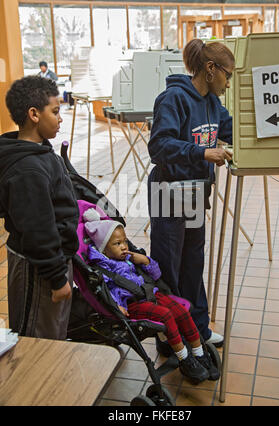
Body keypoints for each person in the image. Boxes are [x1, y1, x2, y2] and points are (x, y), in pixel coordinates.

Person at [147, 38, 234, 349]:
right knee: (167, 265)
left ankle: (197, 327)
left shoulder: (212, 103)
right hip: (167, 190)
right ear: (210, 69)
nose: (228, 82)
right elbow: (158, 147)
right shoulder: (173, 99)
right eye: (228, 74)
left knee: (193, 262)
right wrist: (203, 153)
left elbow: (231, 130)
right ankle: (169, 338)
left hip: (195, 192)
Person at [83, 208, 219, 383]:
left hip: (151, 293)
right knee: (167, 316)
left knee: (182, 312)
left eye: (124, 241)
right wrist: (117, 306)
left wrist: (145, 261)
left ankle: (200, 353)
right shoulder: (104, 269)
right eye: (117, 244)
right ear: (103, 249)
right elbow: (107, 291)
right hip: (132, 304)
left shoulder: (129, 258)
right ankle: (185, 359)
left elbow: (155, 275)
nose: (124, 246)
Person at [0, 76, 79, 340]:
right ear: (34, 114)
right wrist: (57, 278)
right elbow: (38, 230)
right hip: (40, 269)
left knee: (53, 334)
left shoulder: (41, 153)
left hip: (51, 262)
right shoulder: (27, 170)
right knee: (37, 341)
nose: (60, 118)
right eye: (55, 112)